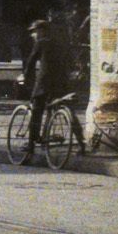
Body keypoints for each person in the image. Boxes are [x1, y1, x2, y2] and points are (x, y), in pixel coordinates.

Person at [20, 14, 74, 165]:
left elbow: (31, 62)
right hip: (61, 83)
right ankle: (47, 136)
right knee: (53, 107)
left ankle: (31, 146)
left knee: (37, 111)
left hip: (44, 82)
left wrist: (25, 77)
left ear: (41, 31)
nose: (33, 34)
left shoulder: (41, 43)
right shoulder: (59, 43)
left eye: (35, 31)